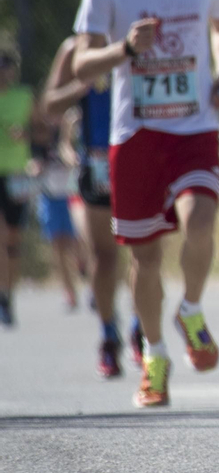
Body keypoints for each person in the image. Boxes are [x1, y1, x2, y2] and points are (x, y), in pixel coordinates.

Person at [71, 0, 219, 407]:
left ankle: (191, 310)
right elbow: (81, 63)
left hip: (194, 127)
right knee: (144, 258)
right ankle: (156, 356)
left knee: (201, 221)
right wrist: (123, 49)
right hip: (136, 134)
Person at [41, 36, 125, 375]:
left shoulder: (139, 35)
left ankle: (141, 329)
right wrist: (81, 86)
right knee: (104, 256)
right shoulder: (75, 49)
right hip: (97, 164)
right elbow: (49, 106)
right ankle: (109, 335)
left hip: (138, 156)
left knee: (143, 252)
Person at [33, 115, 88, 310]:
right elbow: (33, 161)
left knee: (80, 241)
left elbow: (74, 154)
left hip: (73, 194)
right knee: (58, 245)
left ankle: (87, 275)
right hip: (50, 196)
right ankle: (69, 292)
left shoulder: (75, 127)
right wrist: (34, 167)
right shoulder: (39, 136)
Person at [0, 51, 34, 327]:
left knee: (13, 240)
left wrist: (26, 134)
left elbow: (43, 130)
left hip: (17, 175)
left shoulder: (25, 97)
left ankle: (8, 294)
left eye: (6, 68)